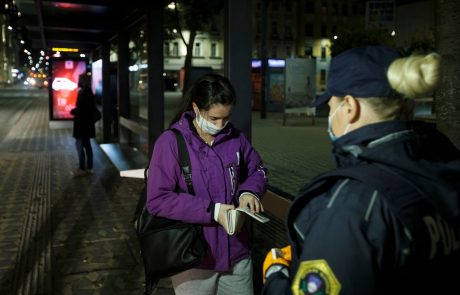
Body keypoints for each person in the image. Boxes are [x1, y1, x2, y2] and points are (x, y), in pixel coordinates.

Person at [261, 45, 460, 294]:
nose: (330, 114)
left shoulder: (352, 203)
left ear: (350, 106)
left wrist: (275, 274)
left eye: (331, 106)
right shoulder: (443, 163)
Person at [146, 74, 268, 294]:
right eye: (213, 119)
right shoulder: (170, 143)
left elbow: (257, 169)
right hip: (193, 257)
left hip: (237, 255)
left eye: (226, 118)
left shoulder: (236, 138)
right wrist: (213, 211)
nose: (221, 125)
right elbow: (158, 199)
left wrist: (249, 192)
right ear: (196, 108)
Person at [70, 73, 97, 177]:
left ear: (83, 81)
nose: (78, 81)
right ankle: (89, 168)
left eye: (80, 79)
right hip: (87, 125)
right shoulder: (88, 91)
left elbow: (82, 110)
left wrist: (74, 111)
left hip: (82, 125)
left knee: (80, 146)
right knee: (87, 146)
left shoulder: (84, 92)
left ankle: (82, 168)